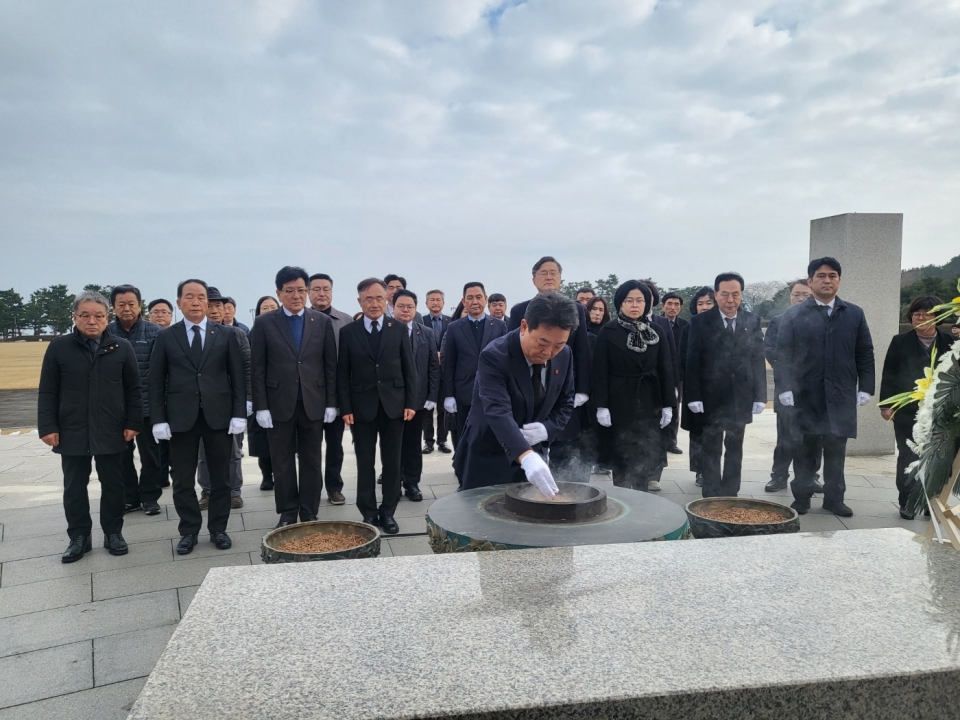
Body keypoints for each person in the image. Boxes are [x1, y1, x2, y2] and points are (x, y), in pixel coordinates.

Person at [38, 290, 142, 563]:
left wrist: (133, 422)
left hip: (112, 428)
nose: (92, 321)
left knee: (113, 484)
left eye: (98, 315)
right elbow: (48, 390)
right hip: (72, 429)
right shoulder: (59, 347)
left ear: (107, 317)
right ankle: (79, 537)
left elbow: (134, 389)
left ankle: (113, 533)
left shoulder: (121, 347)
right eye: (85, 315)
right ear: (75, 317)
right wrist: (48, 426)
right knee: (74, 486)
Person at [149, 278, 247, 555]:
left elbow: (237, 378)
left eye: (200, 297)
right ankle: (189, 530)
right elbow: (156, 380)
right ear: (179, 302)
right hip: (180, 419)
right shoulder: (167, 336)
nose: (195, 302)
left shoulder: (226, 335)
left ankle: (218, 529)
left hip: (218, 417)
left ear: (208, 302)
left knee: (221, 478)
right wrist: (158, 419)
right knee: (182, 479)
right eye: (189, 297)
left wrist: (239, 414)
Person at [777, 257, 875, 517]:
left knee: (836, 451)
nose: (827, 280)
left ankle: (834, 498)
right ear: (810, 281)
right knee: (804, 449)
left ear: (839, 280)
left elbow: (864, 351)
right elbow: (783, 353)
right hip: (805, 393)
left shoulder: (853, 313)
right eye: (821, 276)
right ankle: (801, 498)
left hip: (840, 393)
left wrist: (865, 386)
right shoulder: (794, 314)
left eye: (832, 275)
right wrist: (785, 386)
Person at [455, 292, 578, 494]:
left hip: (535, 453)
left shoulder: (565, 355)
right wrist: (526, 456)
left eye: (559, 345)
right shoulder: (495, 356)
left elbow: (565, 401)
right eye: (542, 343)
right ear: (524, 326)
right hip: (490, 453)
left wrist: (547, 429)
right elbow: (497, 411)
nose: (548, 354)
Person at [252, 266, 339, 527]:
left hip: (313, 402)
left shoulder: (321, 321)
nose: (296, 296)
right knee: (282, 461)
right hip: (279, 403)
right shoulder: (265, 322)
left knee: (312, 460)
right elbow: (257, 368)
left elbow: (329, 365)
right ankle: (288, 512)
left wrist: (331, 402)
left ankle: (309, 511)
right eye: (289, 291)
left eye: (301, 290)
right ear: (279, 293)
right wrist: (261, 407)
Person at [337, 278, 417, 534]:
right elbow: (343, 374)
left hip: (394, 406)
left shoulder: (398, 328)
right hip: (362, 408)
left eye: (379, 298)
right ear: (360, 301)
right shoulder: (349, 332)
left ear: (387, 300)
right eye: (368, 299)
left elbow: (409, 369)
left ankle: (388, 512)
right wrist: (345, 407)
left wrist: (411, 403)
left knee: (392, 463)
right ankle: (369, 513)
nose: (374, 303)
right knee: (365, 463)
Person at [508, 257, 591, 482]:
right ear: (534, 279)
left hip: (563, 384)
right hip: (531, 386)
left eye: (553, 272)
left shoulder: (576, 310)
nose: (548, 277)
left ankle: (566, 484)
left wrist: (582, 389)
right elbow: (512, 353)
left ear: (561, 279)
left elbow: (582, 350)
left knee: (564, 439)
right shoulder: (519, 311)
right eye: (543, 273)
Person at [685, 272, 767, 498]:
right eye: (725, 294)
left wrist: (760, 395)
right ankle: (711, 494)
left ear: (741, 295)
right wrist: (693, 396)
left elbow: (757, 359)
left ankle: (731, 492)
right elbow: (692, 362)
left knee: (735, 447)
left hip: (740, 396)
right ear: (716, 294)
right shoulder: (700, 322)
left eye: (735, 295)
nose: (730, 300)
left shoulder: (751, 320)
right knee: (711, 447)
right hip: (711, 396)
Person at [593, 281, 675, 491]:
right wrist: (601, 406)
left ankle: (642, 499)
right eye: (629, 300)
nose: (634, 305)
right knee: (620, 455)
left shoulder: (656, 331)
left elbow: (666, 369)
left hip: (649, 399)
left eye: (639, 300)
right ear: (620, 303)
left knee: (644, 454)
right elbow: (599, 371)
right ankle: (620, 500)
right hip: (619, 398)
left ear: (647, 304)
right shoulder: (608, 331)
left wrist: (668, 405)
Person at [880, 296, 954, 519]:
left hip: (943, 411)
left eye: (928, 314)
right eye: (916, 314)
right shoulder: (899, 341)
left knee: (939, 458)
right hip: (907, 408)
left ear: (938, 317)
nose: (921, 318)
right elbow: (889, 374)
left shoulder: (950, 342)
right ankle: (907, 502)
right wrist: (886, 405)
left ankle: (932, 503)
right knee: (908, 455)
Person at [107, 284, 162, 516]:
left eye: (132, 303)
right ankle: (130, 497)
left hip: (148, 406)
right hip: (117, 408)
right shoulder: (106, 333)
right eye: (121, 304)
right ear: (113, 308)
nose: (127, 308)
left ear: (140, 306)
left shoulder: (155, 332)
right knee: (122, 455)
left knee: (151, 455)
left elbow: (161, 371)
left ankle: (150, 496)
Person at [764, 279, 823, 493]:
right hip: (787, 389)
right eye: (796, 294)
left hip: (814, 391)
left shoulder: (821, 319)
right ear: (790, 297)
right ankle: (778, 476)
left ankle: (811, 476)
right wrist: (790, 372)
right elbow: (770, 350)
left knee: (815, 437)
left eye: (805, 295)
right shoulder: (778, 321)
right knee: (786, 437)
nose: (800, 298)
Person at [195, 287, 249, 510]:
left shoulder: (236, 334)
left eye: (220, 305)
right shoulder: (195, 336)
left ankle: (234, 490)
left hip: (230, 403)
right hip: (202, 404)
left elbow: (247, 367)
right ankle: (207, 490)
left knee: (233, 451)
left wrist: (247, 400)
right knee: (203, 452)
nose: (215, 310)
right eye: (211, 305)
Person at [443, 282, 509, 449]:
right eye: (470, 298)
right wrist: (449, 395)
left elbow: (507, 360)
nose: (474, 301)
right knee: (462, 433)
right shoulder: (454, 328)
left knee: (490, 434)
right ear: (463, 301)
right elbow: (449, 363)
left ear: (485, 299)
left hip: (492, 390)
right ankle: (461, 468)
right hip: (464, 390)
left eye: (478, 297)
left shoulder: (500, 326)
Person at [308, 272, 352, 504]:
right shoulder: (301, 319)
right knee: (310, 448)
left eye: (326, 289)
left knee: (335, 446)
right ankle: (311, 490)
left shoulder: (345, 320)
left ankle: (334, 487)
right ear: (308, 292)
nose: (321, 293)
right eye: (316, 289)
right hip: (308, 395)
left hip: (336, 395)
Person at [392, 289, 439, 501]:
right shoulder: (385, 330)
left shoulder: (426, 333)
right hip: (391, 400)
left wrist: (432, 395)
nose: (405, 310)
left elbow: (433, 367)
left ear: (416, 308)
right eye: (401, 306)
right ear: (393, 308)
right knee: (392, 445)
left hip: (418, 399)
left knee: (412, 444)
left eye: (410, 306)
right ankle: (393, 484)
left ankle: (412, 483)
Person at [679, 287, 714, 487]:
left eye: (708, 303)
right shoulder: (689, 328)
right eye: (700, 303)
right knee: (698, 432)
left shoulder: (723, 327)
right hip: (697, 388)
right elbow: (683, 359)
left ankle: (715, 469)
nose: (704, 307)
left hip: (720, 389)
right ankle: (700, 470)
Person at [248, 296, 279, 491]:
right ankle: (266, 474)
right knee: (262, 438)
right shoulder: (253, 333)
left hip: (282, 393)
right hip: (261, 391)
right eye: (264, 308)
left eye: (272, 307)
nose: (268, 310)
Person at [422, 289, 452, 455]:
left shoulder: (450, 321)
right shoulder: (421, 320)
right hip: (427, 372)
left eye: (438, 299)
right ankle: (428, 441)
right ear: (427, 303)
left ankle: (442, 440)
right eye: (432, 300)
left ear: (443, 303)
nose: (435, 302)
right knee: (427, 408)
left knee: (443, 408)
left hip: (445, 371)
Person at [661, 291, 688, 455]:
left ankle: (671, 441)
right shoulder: (658, 323)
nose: (673, 307)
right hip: (661, 371)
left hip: (678, 375)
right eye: (669, 304)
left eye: (676, 304)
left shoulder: (685, 326)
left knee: (675, 408)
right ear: (663, 305)